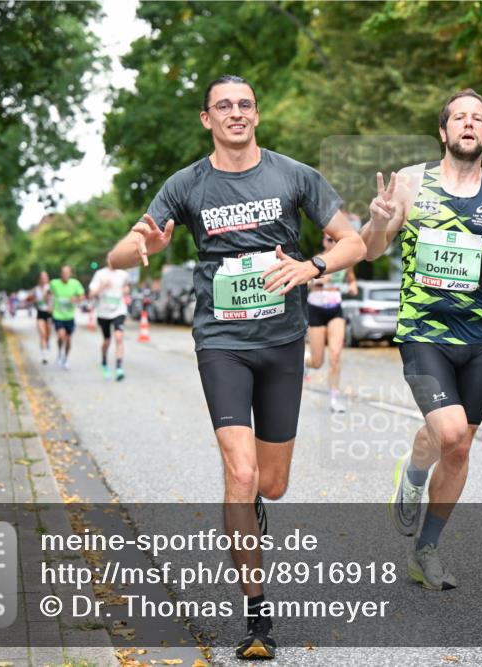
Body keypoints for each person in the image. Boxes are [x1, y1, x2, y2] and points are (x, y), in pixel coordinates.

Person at [108, 75, 364, 660]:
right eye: (223, 106)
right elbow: (118, 254)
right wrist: (143, 244)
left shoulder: (294, 175)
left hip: (282, 343)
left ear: (257, 114)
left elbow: (354, 244)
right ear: (207, 119)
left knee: (271, 484)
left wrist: (312, 265)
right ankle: (256, 615)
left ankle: (249, 510)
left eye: (244, 105)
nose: (235, 114)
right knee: (241, 474)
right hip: (221, 342)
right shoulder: (186, 184)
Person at [359, 89, 482, 590]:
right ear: (443, 131)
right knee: (453, 433)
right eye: (459, 117)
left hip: (477, 335)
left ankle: (425, 549)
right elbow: (372, 252)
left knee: (454, 448)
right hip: (422, 330)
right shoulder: (411, 183)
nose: (468, 124)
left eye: (477, 118)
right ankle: (414, 480)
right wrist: (376, 221)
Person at [304, 231, 358, 413]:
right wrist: (317, 281)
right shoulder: (317, 260)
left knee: (335, 356)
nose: (333, 242)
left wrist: (352, 287)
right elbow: (305, 283)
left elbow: (352, 281)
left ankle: (334, 399)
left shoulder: (344, 261)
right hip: (316, 309)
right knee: (317, 362)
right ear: (324, 241)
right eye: (329, 239)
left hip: (335, 309)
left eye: (336, 239)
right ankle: (305, 361)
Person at [89, 261, 131, 380]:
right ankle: (104, 362)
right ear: (107, 260)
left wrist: (126, 289)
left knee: (118, 337)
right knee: (107, 341)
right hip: (104, 313)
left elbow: (127, 286)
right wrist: (103, 286)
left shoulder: (123, 274)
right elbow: (91, 294)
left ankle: (119, 368)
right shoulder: (100, 274)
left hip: (119, 311)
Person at [49, 266, 85, 370]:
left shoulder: (75, 283)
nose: (65, 275)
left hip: (69, 316)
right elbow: (49, 294)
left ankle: (66, 357)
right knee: (61, 336)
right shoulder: (54, 283)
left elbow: (82, 296)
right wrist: (49, 305)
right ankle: (60, 352)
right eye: (63, 273)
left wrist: (77, 298)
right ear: (61, 273)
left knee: (68, 340)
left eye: (67, 273)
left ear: (70, 274)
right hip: (58, 315)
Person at [30, 272, 54, 365]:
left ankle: (47, 346)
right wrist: (36, 300)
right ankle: (44, 355)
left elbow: (53, 299)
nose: (44, 279)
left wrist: (51, 306)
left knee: (47, 335)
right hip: (40, 313)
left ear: (47, 278)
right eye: (42, 277)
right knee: (42, 334)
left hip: (49, 313)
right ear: (40, 279)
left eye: (45, 277)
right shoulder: (36, 289)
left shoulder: (50, 287)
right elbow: (32, 300)